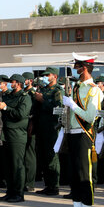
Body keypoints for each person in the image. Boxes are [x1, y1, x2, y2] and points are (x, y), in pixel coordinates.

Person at [60, 53, 103, 207]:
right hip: (72, 133)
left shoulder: (94, 90)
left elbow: (90, 117)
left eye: (77, 66)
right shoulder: (76, 88)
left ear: (84, 67)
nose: (75, 69)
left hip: (84, 134)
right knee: (74, 174)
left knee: (85, 175)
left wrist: (73, 106)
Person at [0, 74, 31, 203]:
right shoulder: (9, 96)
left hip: (17, 135)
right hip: (6, 133)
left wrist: (5, 107)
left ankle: (18, 193)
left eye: (14, 81)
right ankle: (10, 191)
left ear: (20, 83)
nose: (12, 83)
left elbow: (21, 114)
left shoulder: (24, 98)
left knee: (17, 165)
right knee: (8, 165)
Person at [34, 67, 62, 196]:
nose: (45, 77)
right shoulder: (43, 90)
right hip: (41, 127)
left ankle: (54, 186)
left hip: (52, 127)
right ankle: (48, 184)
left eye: (48, 75)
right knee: (43, 156)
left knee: (52, 157)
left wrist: (43, 101)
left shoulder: (57, 91)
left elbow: (58, 109)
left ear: (54, 76)